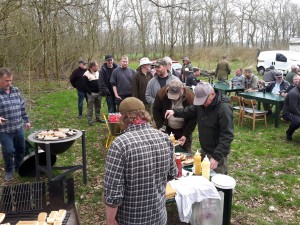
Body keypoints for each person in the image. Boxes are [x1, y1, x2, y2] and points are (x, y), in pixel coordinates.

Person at [104, 97, 177, 225]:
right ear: (144, 115)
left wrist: (110, 220)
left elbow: (113, 193)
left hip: (131, 219)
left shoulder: (119, 145)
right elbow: (172, 174)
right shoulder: (165, 138)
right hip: (159, 216)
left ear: (123, 118)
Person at [165, 82, 234, 174]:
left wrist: (216, 157)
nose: (203, 104)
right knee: (202, 176)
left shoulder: (223, 109)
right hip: (204, 149)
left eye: (204, 100)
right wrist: (174, 112)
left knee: (216, 179)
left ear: (212, 94)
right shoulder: (202, 105)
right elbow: (190, 110)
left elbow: (227, 135)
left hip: (217, 153)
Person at [0, 68, 31, 181]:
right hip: (5, 130)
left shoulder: (16, 90)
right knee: (8, 151)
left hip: (18, 127)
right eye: (6, 80)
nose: (9, 83)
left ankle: (18, 166)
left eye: (10, 80)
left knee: (21, 149)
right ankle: (9, 169)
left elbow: (22, 106)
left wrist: (26, 120)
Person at [153, 80, 196, 152]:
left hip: (183, 129)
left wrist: (186, 134)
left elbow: (193, 118)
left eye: (176, 95)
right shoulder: (162, 93)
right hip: (167, 127)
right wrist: (160, 126)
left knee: (184, 153)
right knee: (166, 151)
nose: (173, 98)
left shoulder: (190, 97)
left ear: (182, 89)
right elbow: (156, 110)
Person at [83, 60, 105, 126]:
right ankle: (89, 120)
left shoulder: (98, 73)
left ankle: (98, 118)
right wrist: (90, 92)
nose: (97, 67)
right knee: (90, 107)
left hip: (98, 93)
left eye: (98, 66)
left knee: (98, 106)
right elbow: (85, 86)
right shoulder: (86, 74)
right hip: (91, 94)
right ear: (92, 67)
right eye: (96, 66)